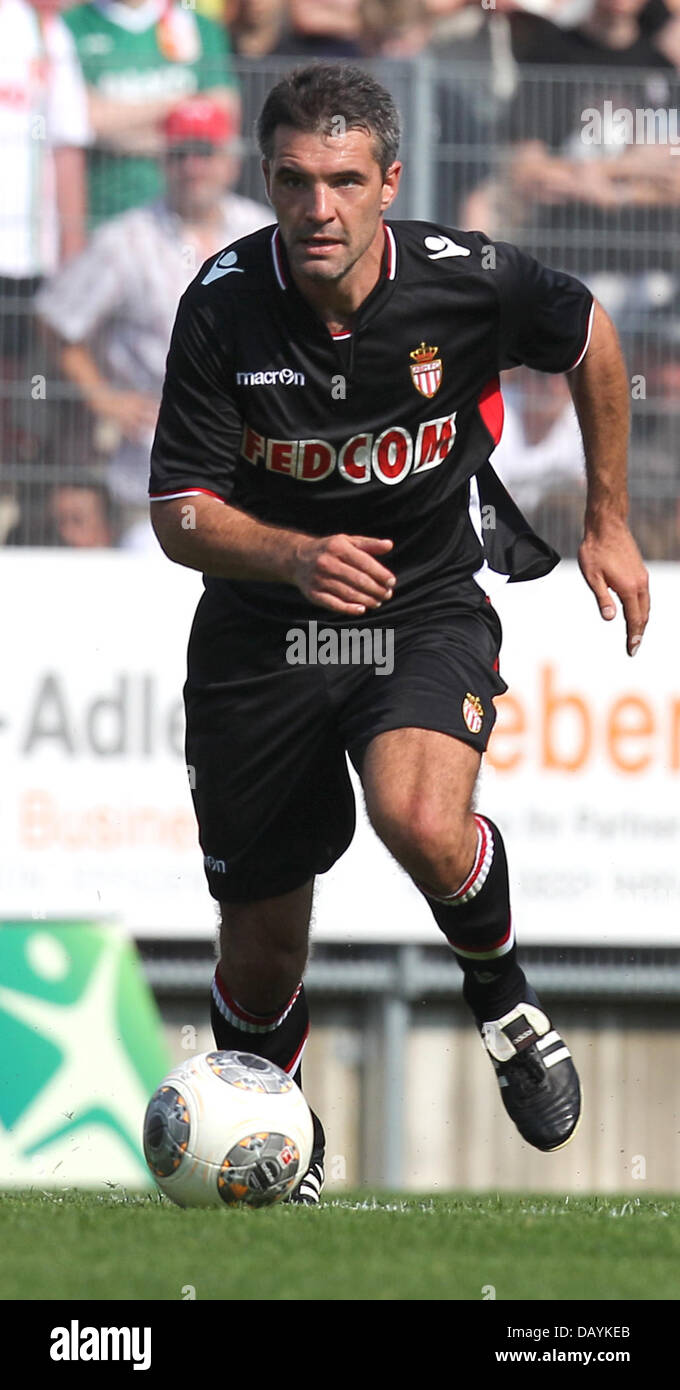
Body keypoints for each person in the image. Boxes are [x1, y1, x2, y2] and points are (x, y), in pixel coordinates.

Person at [149, 64, 649, 1202]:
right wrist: (289, 553)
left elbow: (586, 336)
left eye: (339, 181)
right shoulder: (221, 305)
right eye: (290, 182)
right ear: (266, 182)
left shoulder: (460, 282)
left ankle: (502, 998)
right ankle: (283, 1147)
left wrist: (606, 518)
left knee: (421, 818)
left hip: (417, 606)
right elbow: (177, 510)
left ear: (388, 179)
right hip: (263, 637)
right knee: (260, 953)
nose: (314, 209)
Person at [36, 96, 271, 543]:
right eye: (181, 154)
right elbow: (55, 318)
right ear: (164, 161)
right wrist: (102, 397)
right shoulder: (125, 239)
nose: (193, 167)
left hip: (250, 464)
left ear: (230, 162)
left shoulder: (261, 232)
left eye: (205, 153)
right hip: (156, 466)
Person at [63, 0, 240, 225]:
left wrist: (117, 127)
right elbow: (84, 120)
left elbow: (222, 118)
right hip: (100, 217)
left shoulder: (199, 26)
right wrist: (181, 107)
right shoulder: (72, 26)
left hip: (186, 223)